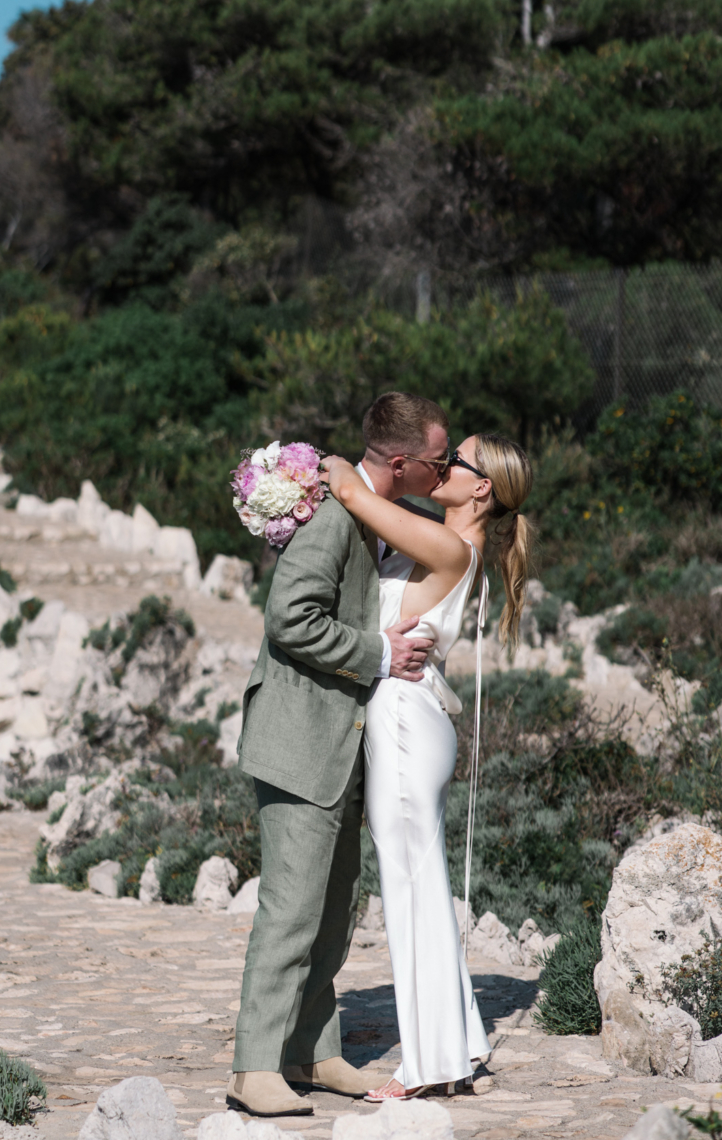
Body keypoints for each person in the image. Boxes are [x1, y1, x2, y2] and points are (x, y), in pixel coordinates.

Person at [227, 392, 452, 1119]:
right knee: (290, 911)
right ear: (399, 461)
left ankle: (313, 1051)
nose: (444, 469)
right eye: (437, 459)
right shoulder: (329, 519)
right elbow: (289, 618)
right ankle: (254, 1067)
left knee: (332, 911)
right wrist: (378, 654)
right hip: (300, 743)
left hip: (343, 750)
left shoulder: (383, 515)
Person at [320, 432, 534, 1099]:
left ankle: (430, 1068)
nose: (440, 468)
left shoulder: (448, 545)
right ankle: (459, 1043)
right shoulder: (433, 538)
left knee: (411, 895)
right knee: (420, 889)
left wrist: (298, 465)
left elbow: (351, 488)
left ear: (480, 488)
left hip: (410, 724)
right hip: (409, 721)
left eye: (455, 461)